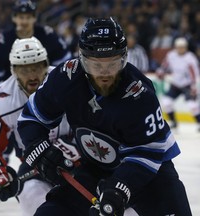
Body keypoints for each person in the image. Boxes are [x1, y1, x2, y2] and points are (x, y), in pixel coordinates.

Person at [16, 17, 192, 216]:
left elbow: (147, 154)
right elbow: (32, 118)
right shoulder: (65, 78)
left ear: (124, 58)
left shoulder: (139, 94)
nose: (104, 74)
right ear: (82, 59)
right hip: (95, 167)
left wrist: (119, 188)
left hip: (151, 175)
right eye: (95, 65)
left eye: (112, 64)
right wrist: (38, 149)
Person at [0, 37, 74, 216]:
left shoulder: (68, 83)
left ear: (46, 65)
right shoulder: (0, 101)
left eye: (36, 67)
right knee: (34, 203)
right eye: (24, 69)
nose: (32, 75)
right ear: (13, 70)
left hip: (79, 161)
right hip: (35, 167)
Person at [0, 0, 71, 124]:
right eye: (21, 17)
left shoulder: (49, 36)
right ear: (14, 18)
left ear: (34, 18)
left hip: (46, 95)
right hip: (14, 97)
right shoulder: (3, 41)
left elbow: (66, 70)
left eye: (28, 17)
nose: (24, 21)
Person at [156, 37, 200, 131]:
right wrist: (160, 72)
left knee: (193, 105)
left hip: (187, 85)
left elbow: (194, 73)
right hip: (175, 84)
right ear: (175, 47)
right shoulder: (171, 55)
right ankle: (174, 122)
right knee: (166, 102)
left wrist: (193, 86)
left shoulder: (190, 57)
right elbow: (164, 66)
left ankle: (199, 122)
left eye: (182, 47)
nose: (180, 49)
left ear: (186, 47)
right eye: (179, 47)